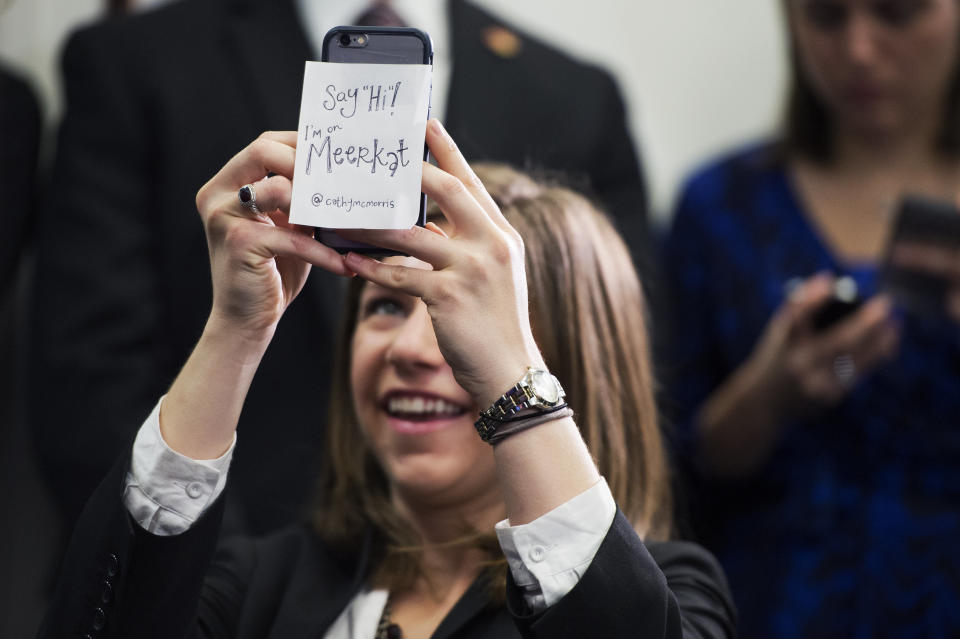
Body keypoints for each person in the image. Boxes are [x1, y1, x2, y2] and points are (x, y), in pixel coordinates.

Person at [38, 122, 734, 638]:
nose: (408, 346)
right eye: (388, 303)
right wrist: (234, 330)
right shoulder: (259, 585)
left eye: (453, 313)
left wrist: (511, 390)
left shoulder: (679, 591)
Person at [30, 0, 650, 539]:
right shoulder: (135, 62)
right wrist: (220, 589)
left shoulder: (575, 97)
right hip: (215, 566)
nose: (412, 351)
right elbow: (91, 372)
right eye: (384, 311)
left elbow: (613, 364)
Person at [663, 0, 960, 636]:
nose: (859, 50)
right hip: (777, 599)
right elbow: (666, 471)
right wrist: (770, 395)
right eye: (825, 18)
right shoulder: (721, 206)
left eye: (897, 14)